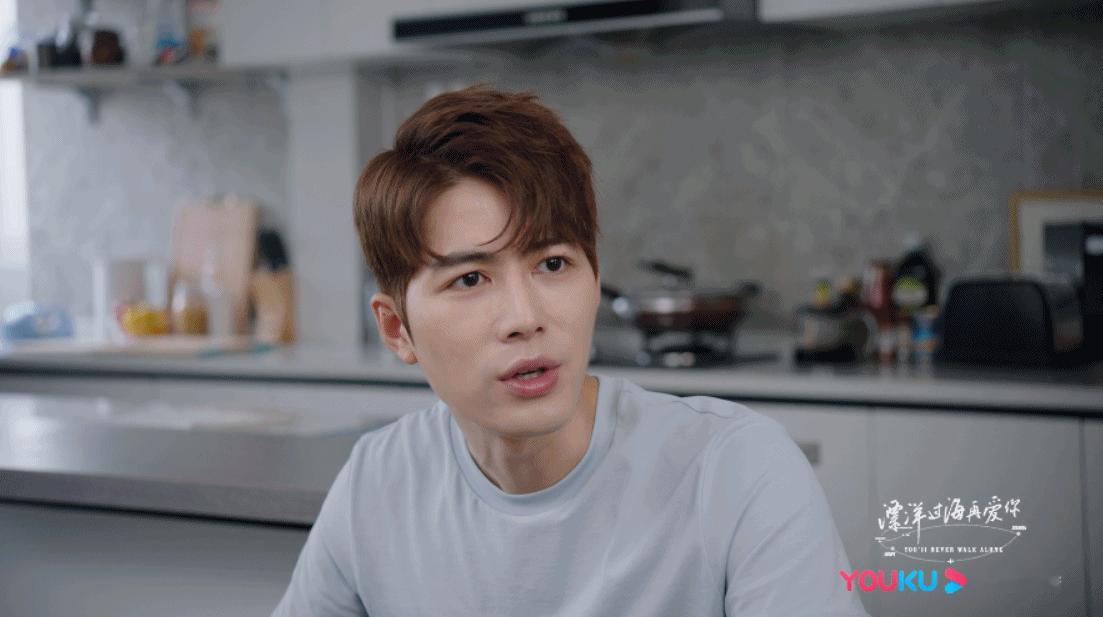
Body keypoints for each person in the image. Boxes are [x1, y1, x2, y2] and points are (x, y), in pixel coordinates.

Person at [272, 85, 869, 617]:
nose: (525, 318)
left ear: (595, 276)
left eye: (553, 264)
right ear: (396, 329)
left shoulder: (736, 471)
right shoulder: (378, 482)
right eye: (470, 279)